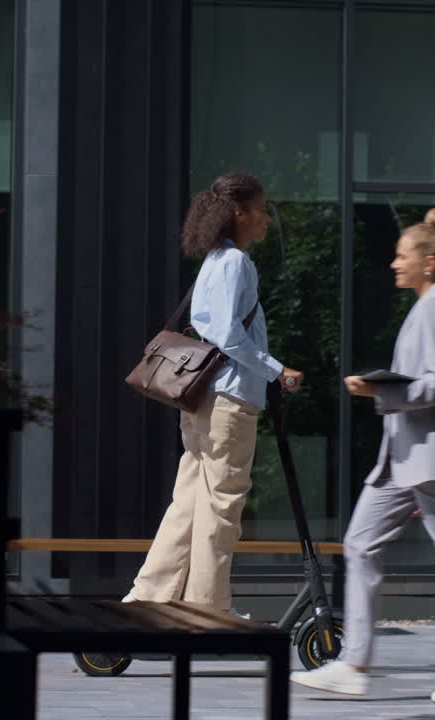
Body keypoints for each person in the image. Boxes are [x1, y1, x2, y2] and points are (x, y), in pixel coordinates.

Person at [289, 208, 435, 702]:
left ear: (429, 263)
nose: (393, 263)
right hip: (403, 458)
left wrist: (380, 392)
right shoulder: (427, 304)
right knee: (361, 545)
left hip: (430, 460)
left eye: (401, 256)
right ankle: (355, 663)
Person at [122, 171, 304, 613]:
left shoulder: (214, 260)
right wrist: (278, 369)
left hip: (203, 398)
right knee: (221, 509)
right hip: (231, 400)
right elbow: (227, 334)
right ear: (239, 213)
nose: (265, 219)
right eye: (261, 210)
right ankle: (208, 611)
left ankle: (148, 597)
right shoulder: (236, 263)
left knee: (189, 502)